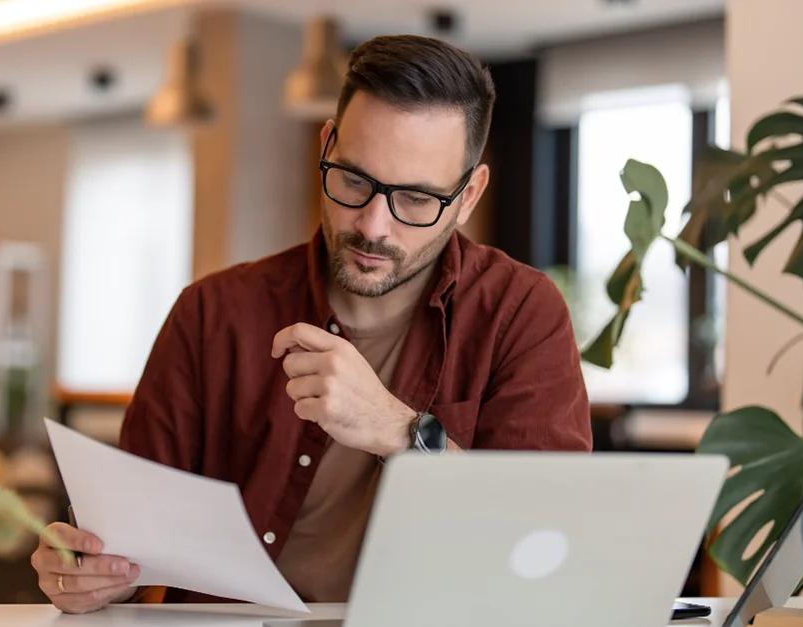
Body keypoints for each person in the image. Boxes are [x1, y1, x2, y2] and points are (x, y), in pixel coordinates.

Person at [30, 33, 592, 615]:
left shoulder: (521, 313)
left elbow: (544, 543)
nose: (374, 225)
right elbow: (131, 540)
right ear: (326, 145)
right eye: (353, 180)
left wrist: (400, 432)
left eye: (417, 200)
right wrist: (95, 573)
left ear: (469, 194)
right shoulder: (211, 314)